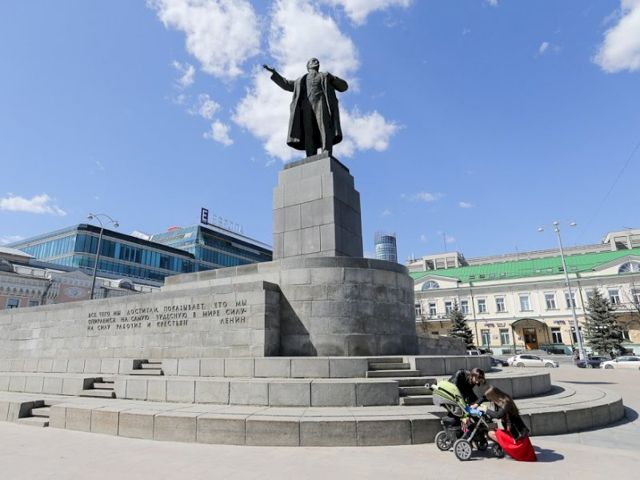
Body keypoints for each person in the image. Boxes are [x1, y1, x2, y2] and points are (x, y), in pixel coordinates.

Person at [263, 58, 348, 157]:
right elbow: (286, 84)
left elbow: (344, 87)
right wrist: (274, 73)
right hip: (306, 107)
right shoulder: (300, 80)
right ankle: (310, 154)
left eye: (317, 61)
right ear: (308, 66)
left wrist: (333, 78)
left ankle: (326, 151)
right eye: (313, 61)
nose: (316, 62)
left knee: (324, 127)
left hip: (321, 104)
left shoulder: (325, 76)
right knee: (308, 130)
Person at [483, 386, 537, 462]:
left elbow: (498, 415)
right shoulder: (499, 402)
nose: (490, 400)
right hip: (512, 432)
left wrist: (486, 410)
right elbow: (495, 412)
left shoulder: (506, 402)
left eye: (491, 398)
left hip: (518, 437)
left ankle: (510, 450)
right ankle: (508, 448)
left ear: (494, 396)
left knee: (491, 433)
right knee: (490, 432)